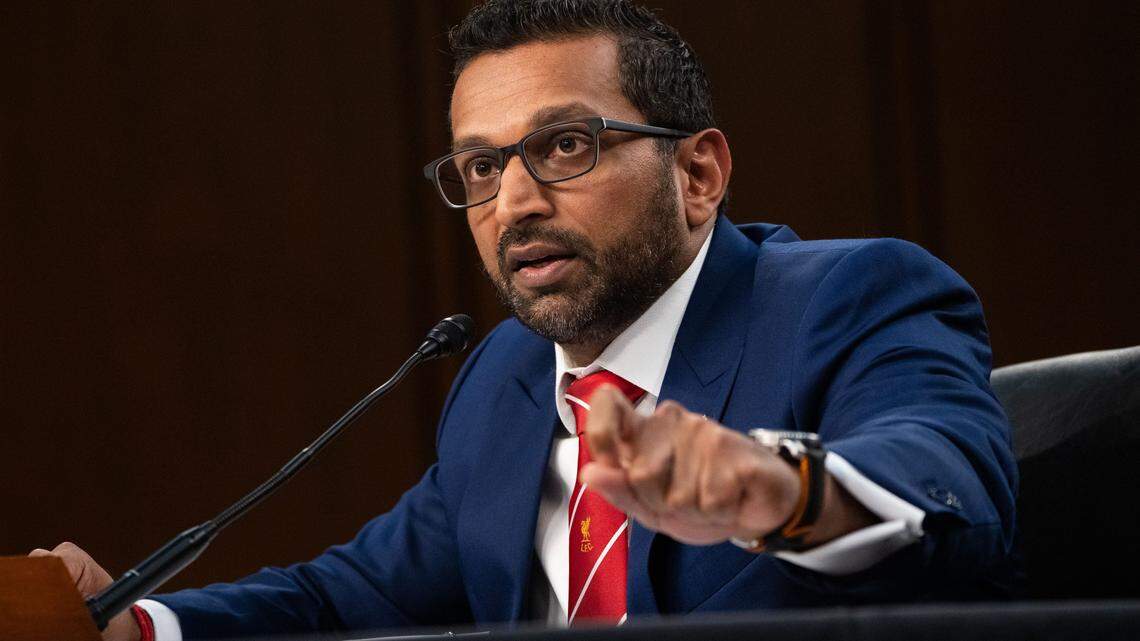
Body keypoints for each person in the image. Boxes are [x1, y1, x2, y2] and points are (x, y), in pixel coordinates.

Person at [34, 1, 1018, 639]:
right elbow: (353, 594)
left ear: (699, 173)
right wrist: (138, 622)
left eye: (565, 146)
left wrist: (776, 485)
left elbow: (949, 484)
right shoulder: (507, 378)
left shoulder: (846, 300)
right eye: (480, 167)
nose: (514, 202)